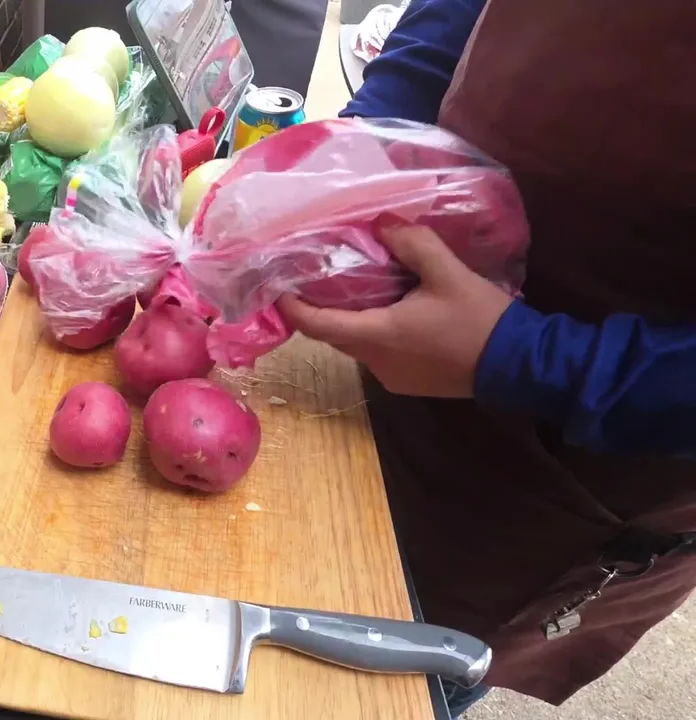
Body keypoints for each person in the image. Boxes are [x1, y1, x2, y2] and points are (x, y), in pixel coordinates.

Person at [278, 0, 696, 717]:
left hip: (566, 471)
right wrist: (373, 135)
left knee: (369, 682)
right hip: (405, 323)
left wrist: (525, 359)